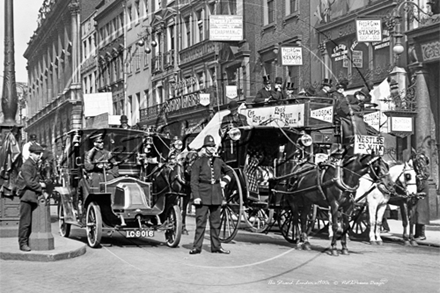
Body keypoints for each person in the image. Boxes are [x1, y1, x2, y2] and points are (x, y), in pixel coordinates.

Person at [189, 134, 233, 255]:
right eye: (209, 146)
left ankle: (216, 246)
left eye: (213, 146)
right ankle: (197, 247)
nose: (212, 148)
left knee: (216, 224)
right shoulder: (198, 162)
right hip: (202, 196)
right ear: (204, 148)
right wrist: (196, 196)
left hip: (216, 195)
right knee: (200, 224)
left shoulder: (218, 161)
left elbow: (229, 171)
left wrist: (225, 181)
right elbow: (194, 182)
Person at [17, 144, 45, 252]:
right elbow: (29, 182)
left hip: (32, 196)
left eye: (39, 154)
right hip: (27, 196)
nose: (38, 156)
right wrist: (40, 186)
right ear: (31, 153)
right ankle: (22, 243)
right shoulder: (27, 165)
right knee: (25, 222)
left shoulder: (34, 164)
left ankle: (27, 242)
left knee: (30, 221)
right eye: (36, 154)